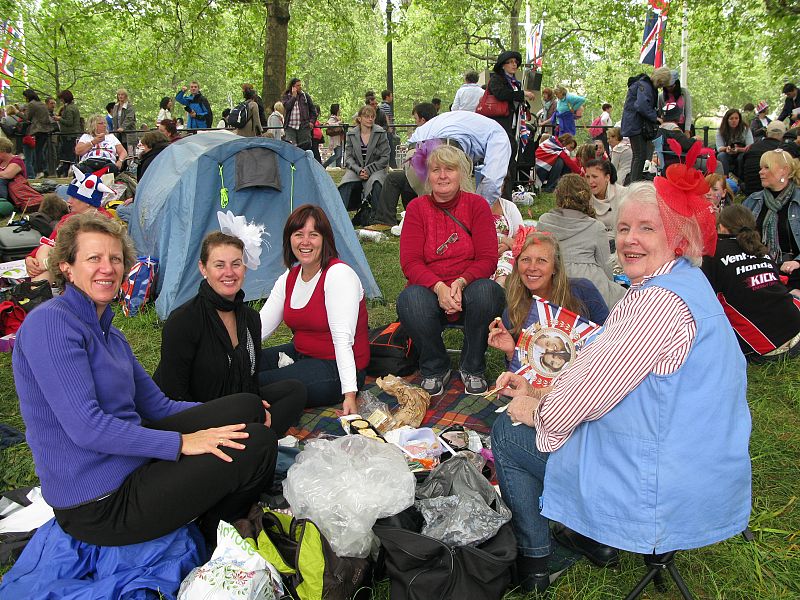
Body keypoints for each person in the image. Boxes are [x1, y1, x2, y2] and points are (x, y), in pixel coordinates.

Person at [491, 173, 751, 594]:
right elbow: (611, 376)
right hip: (706, 461)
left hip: (663, 483)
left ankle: (537, 562)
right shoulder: (688, 281)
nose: (629, 239)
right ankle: (590, 538)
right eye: (624, 228)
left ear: (678, 235)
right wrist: (540, 388)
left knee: (507, 432)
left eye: (647, 228)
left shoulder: (655, 304)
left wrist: (536, 408)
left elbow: (582, 399)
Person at [12, 212, 278, 547]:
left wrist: (216, 424)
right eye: (93, 258)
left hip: (132, 461)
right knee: (259, 444)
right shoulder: (51, 325)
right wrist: (182, 443)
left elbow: (158, 405)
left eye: (115, 258)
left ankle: (205, 496)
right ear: (67, 266)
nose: (107, 268)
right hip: (100, 502)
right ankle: (210, 531)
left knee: (248, 406)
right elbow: (87, 427)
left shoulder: (111, 335)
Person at [155, 231, 307, 437]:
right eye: (219, 265)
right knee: (253, 417)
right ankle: (254, 438)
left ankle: (253, 437)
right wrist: (232, 415)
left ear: (244, 268)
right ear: (203, 269)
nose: (229, 272)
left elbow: (250, 380)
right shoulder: (183, 321)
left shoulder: (250, 319)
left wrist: (254, 404)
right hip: (194, 415)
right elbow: (174, 394)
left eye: (236, 264)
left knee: (294, 391)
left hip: (238, 404)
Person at [397, 145, 505, 395]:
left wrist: (460, 283)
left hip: (468, 289)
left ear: (462, 175)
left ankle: (472, 365)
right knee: (409, 299)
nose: (443, 175)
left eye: (450, 169)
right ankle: (435, 366)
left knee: (489, 292)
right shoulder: (416, 208)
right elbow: (410, 262)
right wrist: (439, 287)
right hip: (429, 291)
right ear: (429, 176)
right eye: (436, 170)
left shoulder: (477, 206)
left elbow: (488, 258)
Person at [258, 204, 370, 415]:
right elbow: (259, 328)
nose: (305, 242)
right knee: (242, 367)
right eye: (298, 234)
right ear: (289, 239)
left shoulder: (338, 275)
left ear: (325, 239)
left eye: (313, 234)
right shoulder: (289, 277)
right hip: (300, 354)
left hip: (336, 367)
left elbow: (342, 340)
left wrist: (349, 395)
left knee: (258, 383)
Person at [487, 232, 609, 373]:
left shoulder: (583, 291)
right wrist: (510, 353)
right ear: (517, 265)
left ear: (555, 268)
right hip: (538, 390)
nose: (532, 267)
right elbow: (521, 377)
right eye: (526, 259)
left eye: (541, 260)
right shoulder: (513, 312)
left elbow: (610, 338)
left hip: (589, 378)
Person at [702, 204, 800, 361]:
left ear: (721, 227)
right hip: (795, 329)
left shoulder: (713, 252)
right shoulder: (760, 248)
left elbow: (704, 300)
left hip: (765, 347)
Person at [537, 174, 626, 307]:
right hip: (590, 283)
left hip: (554, 280)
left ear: (558, 195)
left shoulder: (544, 221)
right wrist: (610, 285)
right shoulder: (596, 227)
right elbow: (605, 264)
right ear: (586, 197)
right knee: (623, 297)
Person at [24, 167, 114, 282]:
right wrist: (30, 258)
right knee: (44, 249)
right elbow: (51, 241)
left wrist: (47, 264)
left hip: (89, 269)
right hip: (65, 264)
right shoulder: (68, 218)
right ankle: (38, 293)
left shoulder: (104, 222)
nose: (69, 201)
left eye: (74, 197)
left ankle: (38, 294)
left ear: (87, 202)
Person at [743, 149, 800, 293]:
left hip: (793, 271)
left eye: (766, 167)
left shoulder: (798, 200)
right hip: (758, 267)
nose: (761, 172)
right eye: (761, 168)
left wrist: (797, 262)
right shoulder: (753, 200)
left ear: (784, 171)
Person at [486, 50, 536, 200]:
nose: (514, 65)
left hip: (512, 127)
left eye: (516, 62)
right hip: (500, 126)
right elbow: (501, 94)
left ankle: (506, 196)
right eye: (511, 62)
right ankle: (498, 196)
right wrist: (523, 94)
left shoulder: (515, 82)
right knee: (503, 163)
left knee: (511, 162)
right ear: (503, 65)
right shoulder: (496, 79)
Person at [337, 105, 389, 224]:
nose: (370, 119)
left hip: (376, 169)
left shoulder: (380, 133)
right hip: (356, 169)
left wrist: (369, 170)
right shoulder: (351, 134)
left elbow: (385, 158)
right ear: (360, 118)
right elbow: (348, 157)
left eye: (372, 117)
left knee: (377, 182)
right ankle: (340, 217)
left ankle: (377, 218)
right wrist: (358, 170)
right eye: (366, 117)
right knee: (345, 182)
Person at [621, 66, 672, 183]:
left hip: (632, 124)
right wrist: (655, 117)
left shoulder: (642, 84)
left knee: (638, 155)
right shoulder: (646, 86)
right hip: (636, 125)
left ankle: (634, 183)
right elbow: (641, 105)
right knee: (640, 155)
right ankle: (635, 184)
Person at [583, 159, 627, 248]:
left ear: (607, 177)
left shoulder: (624, 195)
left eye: (594, 176)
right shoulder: (584, 198)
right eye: (587, 177)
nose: (590, 181)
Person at [741, 121, 786, 195]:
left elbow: (742, 171)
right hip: (771, 194)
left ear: (767, 133)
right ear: (783, 135)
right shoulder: (782, 150)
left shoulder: (752, 147)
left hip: (749, 190)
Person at [491, 196, 524, 286]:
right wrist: (502, 239)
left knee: (509, 257)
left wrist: (507, 245)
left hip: (506, 251)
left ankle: (501, 289)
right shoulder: (470, 205)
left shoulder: (509, 206)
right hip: (481, 252)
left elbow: (521, 235)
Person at [716, 108, 754, 178]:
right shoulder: (721, 130)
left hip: (742, 152)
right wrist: (726, 148)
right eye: (731, 119)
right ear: (727, 120)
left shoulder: (745, 129)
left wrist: (739, 149)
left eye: (736, 118)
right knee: (721, 156)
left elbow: (750, 146)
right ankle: (725, 179)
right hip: (727, 153)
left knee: (741, 158)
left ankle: (741, 180)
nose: (734, 121)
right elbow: (719, 147)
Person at [281, 78, 317, 150]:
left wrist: (312, 122)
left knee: (305, 148)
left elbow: (313, 110)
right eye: (298, 85)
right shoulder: (286, 96)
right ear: (292, 87)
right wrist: (293, 97)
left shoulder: (305, 96)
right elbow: (287, 107)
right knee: (291, 148)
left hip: (303, 126)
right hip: (290, 127)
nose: (300, 87)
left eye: (300, 85)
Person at [22, 89, 50, 178]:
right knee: (41, 151)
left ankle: (39, 171)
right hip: (46, 130)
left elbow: (27, 117)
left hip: (37, 130)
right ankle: (44, 169)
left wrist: (17, 112)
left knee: (37, 152)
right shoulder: (42, 104)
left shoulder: (31, 104)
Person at [53, 90, 81, 177]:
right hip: (71, 134)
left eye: (62, 99)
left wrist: (59, 118)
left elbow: (69, 122)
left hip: (69, 135)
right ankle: (65, 171)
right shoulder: (72, 107)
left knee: (68, 155)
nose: (61, 100)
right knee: (69, 155)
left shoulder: (69, 109)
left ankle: (66, 172)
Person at [657, 70, 693, 136]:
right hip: (668, 127)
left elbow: (688, 113)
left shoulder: (684, 93)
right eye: (666, 86)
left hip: (682, 126)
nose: (668, 88)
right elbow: (660, 113)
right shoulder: (661, 97)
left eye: (671, 86)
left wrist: (687, 130)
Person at [0, 136, 27, 216]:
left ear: (3, 151)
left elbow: (7, 175)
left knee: (1, 180)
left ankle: (3, 203)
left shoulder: (17, 161)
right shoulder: (1, 161)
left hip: (14, 194)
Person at [379, 90, 398, 168]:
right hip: (387, 131)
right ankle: (392, 165)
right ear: (387, 97)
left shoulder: (381, 106)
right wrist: (389, 127)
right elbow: (386, 117)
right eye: (391, 96)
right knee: (390, 148)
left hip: (385, 130)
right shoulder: (386, 106)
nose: (392, 98)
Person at [322, 103, 344, 168]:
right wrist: (338, 123)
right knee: (337, 154)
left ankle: (338, 166)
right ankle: (325, 165)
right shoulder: (333, 118)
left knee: (339, 154)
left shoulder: (337, 118)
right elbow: (328, 124)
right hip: (335, 139)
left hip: (338, 138)